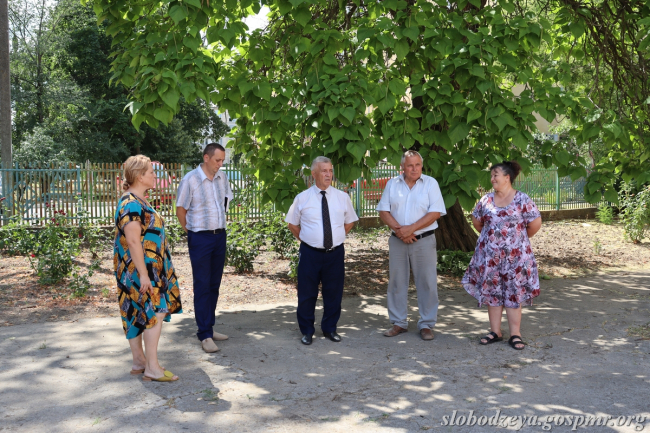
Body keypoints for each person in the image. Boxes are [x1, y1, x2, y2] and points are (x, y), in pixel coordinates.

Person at [114, 155, 182, 382]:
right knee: (156, 312)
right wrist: (144, 275)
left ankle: (139, 362)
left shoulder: (135, 199)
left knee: (135, 312)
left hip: (142, 267)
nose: (155, 175)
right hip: (142, 269)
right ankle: (152, 368)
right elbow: (133, 241)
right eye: (151, 172)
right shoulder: (131, 203)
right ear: (140, 176)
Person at [462, 161, 542, 350]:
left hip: (516, 259)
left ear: (507, 177)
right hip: (490, 258)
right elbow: (477, 222)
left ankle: (515, 334)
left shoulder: (522, 199)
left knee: (513, 294)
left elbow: (535, 224)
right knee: (493, 293)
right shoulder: (486, 200)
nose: (492, 179)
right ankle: (495, 331)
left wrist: (517, 240)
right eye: (491, 175)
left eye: (495, 175)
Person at [286, 156, 358, 345]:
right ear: (314, 174)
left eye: (330, 170)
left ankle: (330, 328)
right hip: (310, 254)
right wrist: (308, 239)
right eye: (324, 171)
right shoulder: (302, 198)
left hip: (335, 253)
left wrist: (335, 237)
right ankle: (307, 331)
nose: (328, 174)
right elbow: (292, 224)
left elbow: (350, 221)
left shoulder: (342, 197)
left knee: (333, 292)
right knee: (307, 293)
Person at [377, 150, 447, 341]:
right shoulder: (392, 184)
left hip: (424, 240)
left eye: (417, 165)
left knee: (427, 282)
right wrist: (401, 231)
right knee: (397, 281)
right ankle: (399, 322)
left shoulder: (431, 183)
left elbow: (435, 212)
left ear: (421, 166)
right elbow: (383, 211)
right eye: (410, 165)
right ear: (402, 167)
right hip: (397, 240)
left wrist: (410, 229)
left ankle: (426, 324)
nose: (414, 169)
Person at [176, 143, 233, 353]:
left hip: (219, 236)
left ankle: (209, 327)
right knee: (202, 284)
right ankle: (204, 334)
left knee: (214, 284)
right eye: (218, 160)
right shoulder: (190, 179)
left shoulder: (222, 178)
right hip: (200, 237)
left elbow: (225, 201)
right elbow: (181, 209)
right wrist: (191, 231)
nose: (220, 164)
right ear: (206, 158)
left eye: (222, 160)